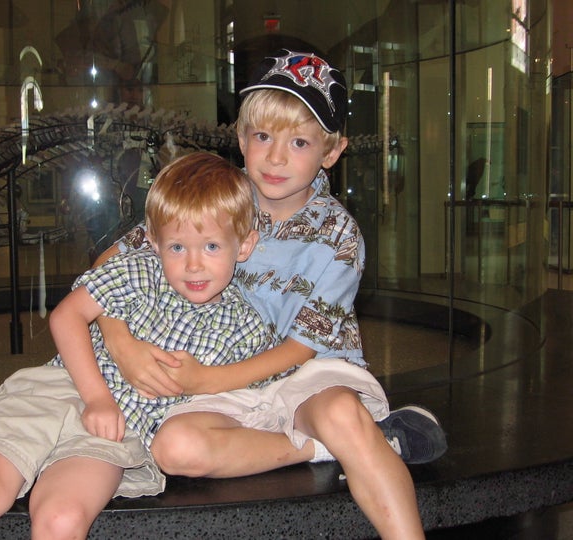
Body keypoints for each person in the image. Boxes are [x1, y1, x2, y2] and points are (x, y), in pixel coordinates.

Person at [96, 49, 447, 539]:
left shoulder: (338, 234)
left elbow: (300, 350)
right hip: (227, 377)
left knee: (340, 412)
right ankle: (325, 446)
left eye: (300, 142)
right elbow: (107, 266)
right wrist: (121, 344)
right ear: (241, 139)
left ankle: (358, 457)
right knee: (173, 450)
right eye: (262, 136)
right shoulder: (216, 200)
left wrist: (205, 383)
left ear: (332, 151)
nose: (276, 157)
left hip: (306, 374)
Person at [0, 151, 274, 540]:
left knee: (63, 517)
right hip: (62, 388)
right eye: (177, 247)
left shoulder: (247, 327)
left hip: (121, 431)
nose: (193, 264)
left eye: (211, 247)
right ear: (154, 242)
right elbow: (66, 316)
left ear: (243, 245)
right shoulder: (137, 270)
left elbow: (255, 396)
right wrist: (98, 398)